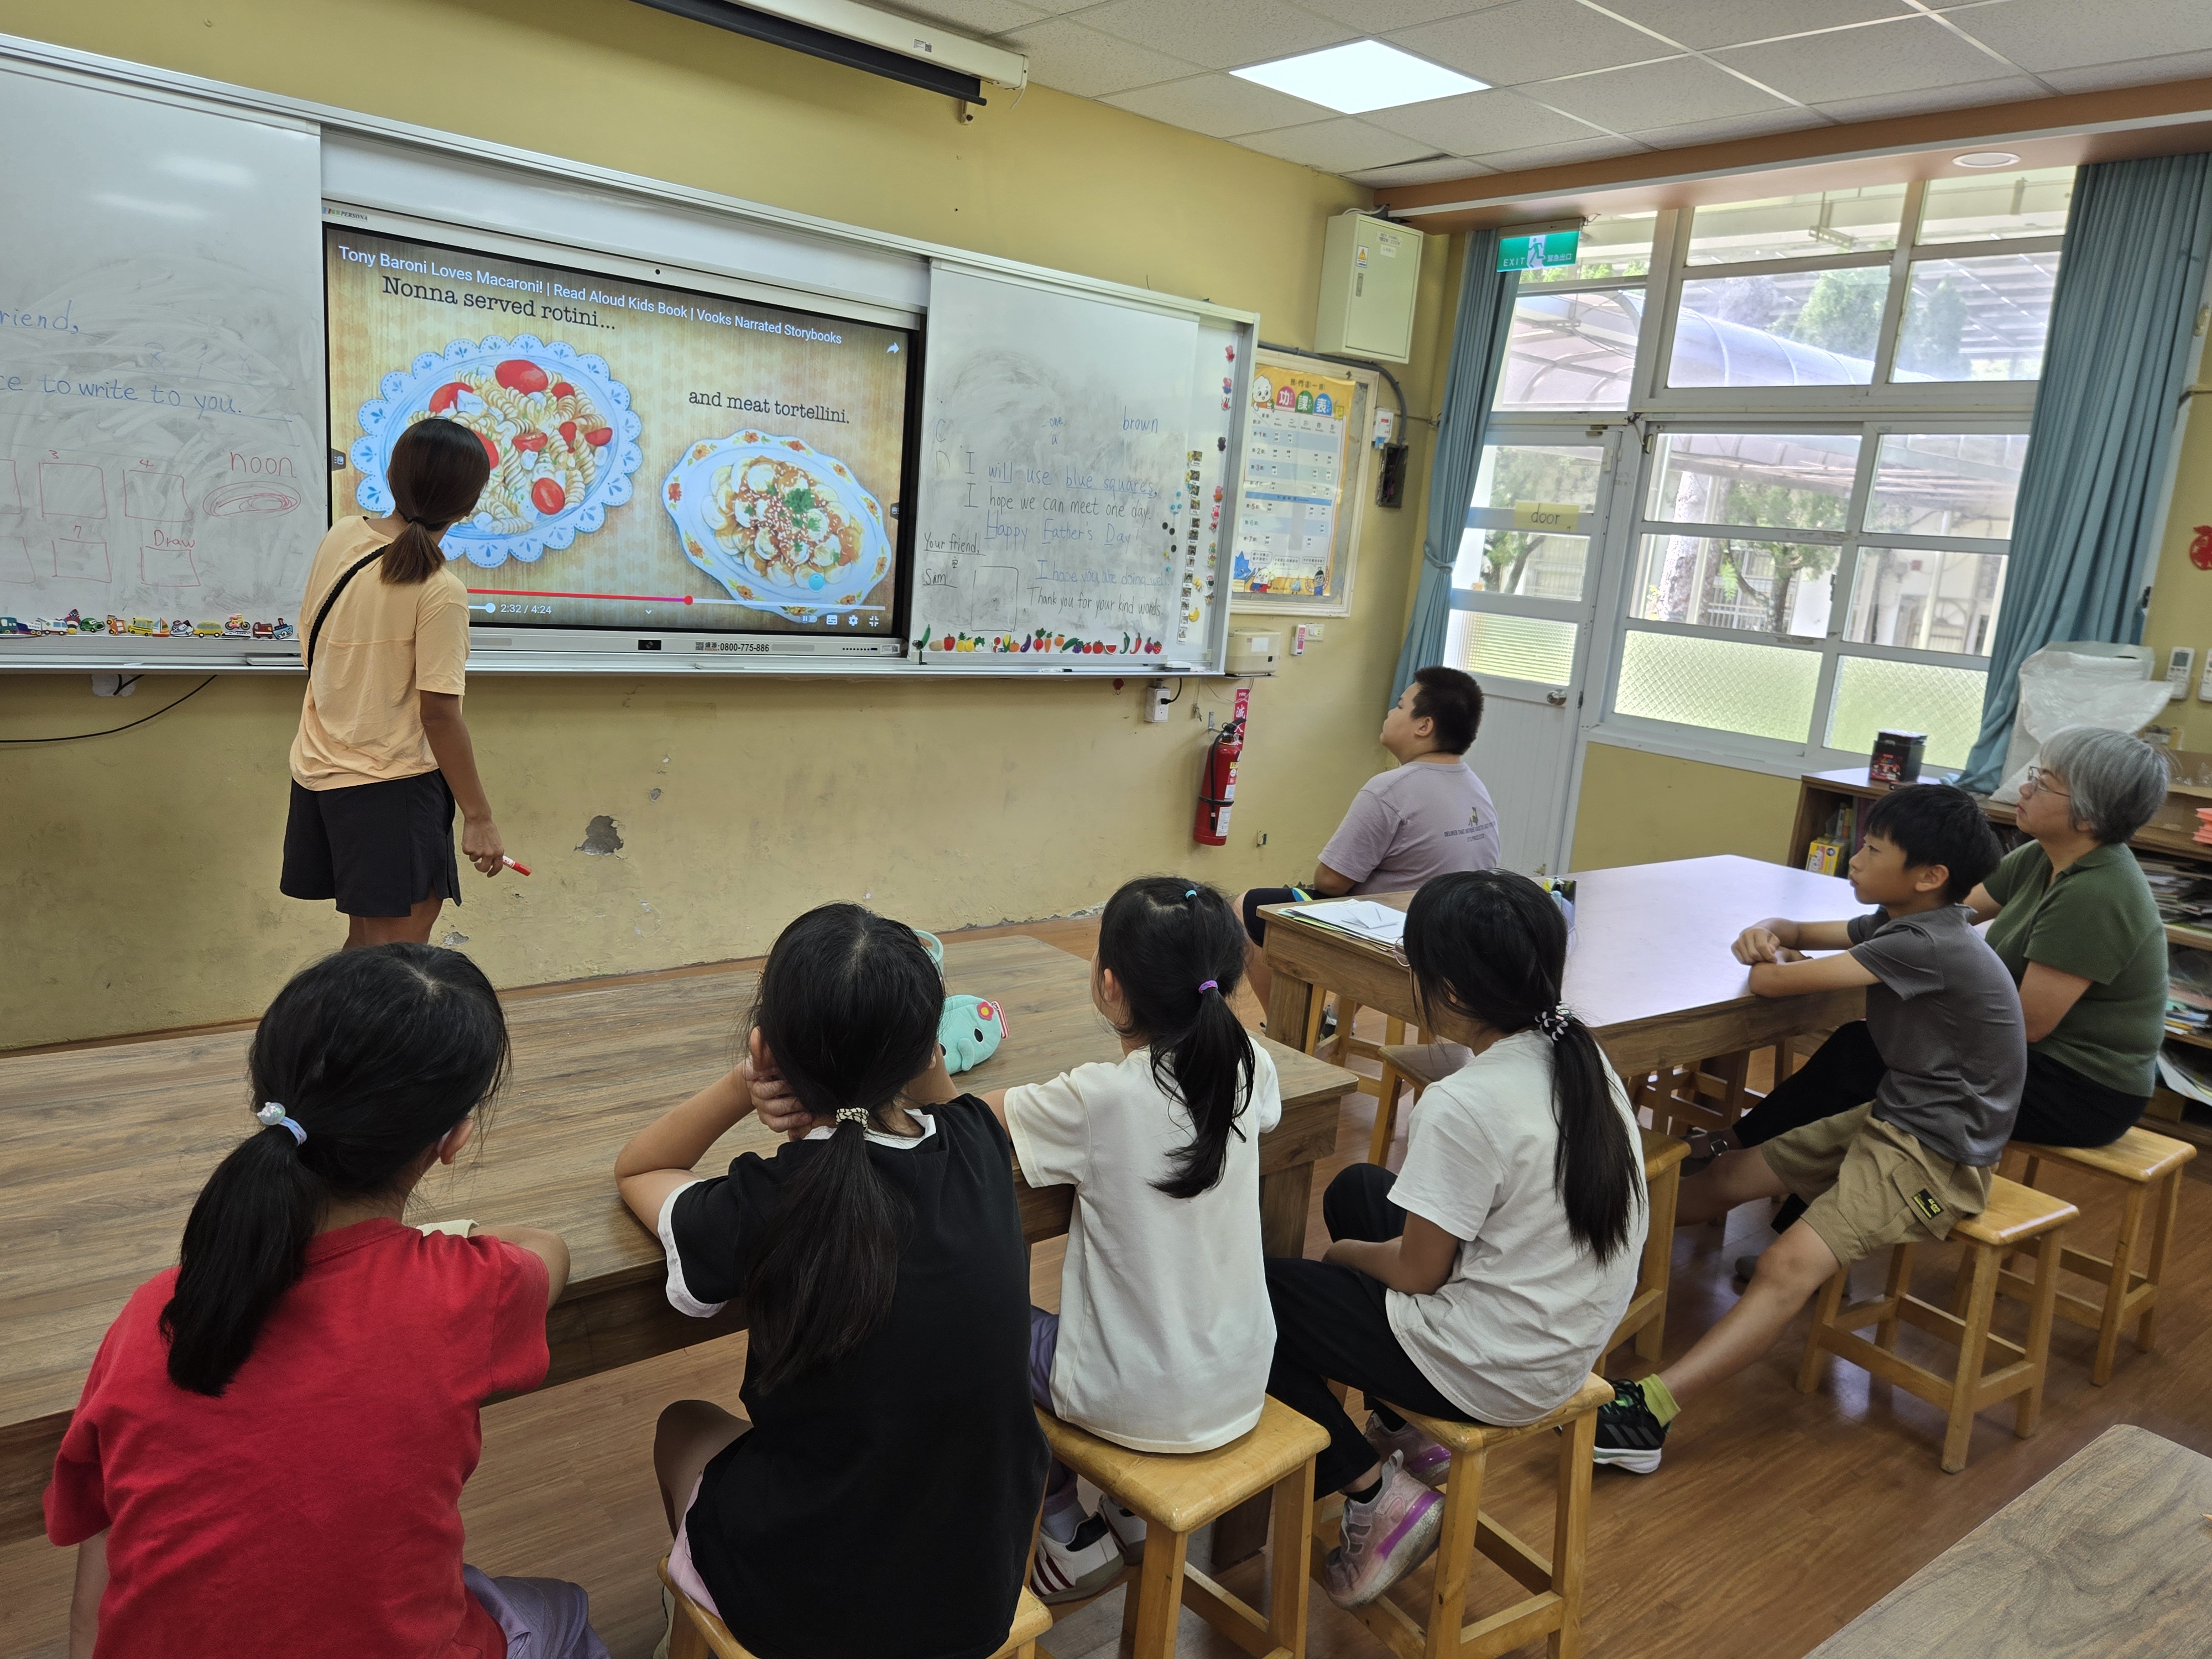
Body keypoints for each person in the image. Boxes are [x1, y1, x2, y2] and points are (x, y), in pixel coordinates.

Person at [44, 946, 593, 1659]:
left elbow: (98, 1588)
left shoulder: (152, 1312)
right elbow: (547, 1250)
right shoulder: (468, 1291)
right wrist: (420, 1245)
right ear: (452, 1137)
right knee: (567, 1609)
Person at [614, 905, 1047, 1659]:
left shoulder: (769, 1197)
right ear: (925, 1047)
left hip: (820, 1616)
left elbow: (640, 1168)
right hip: (980, 1587)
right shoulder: (979, 1145)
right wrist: (911, 1054)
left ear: (769, 1045)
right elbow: (944, 1099)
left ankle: (700, 1607)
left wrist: (741, 1082)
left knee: (680, 1425)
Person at [1594, 784, 2022, 1473]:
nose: (1855, 858)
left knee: (1783, 1264)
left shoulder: (1927, 943)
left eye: (1874, 849)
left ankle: (1648, 1415)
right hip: (1896, 1113)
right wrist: (1771, 933)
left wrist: (1768, 956)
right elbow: (1793, 937)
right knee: (1718, 1181)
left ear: (1929, 877)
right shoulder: (1899, 923)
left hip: (1938, 1154)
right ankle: (1564, 1263)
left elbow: (1772, 985)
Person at [1263, 870, 1646, 1608]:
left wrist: (1342, 1257)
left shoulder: (1464, 1104)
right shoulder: (1580, 1055)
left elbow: (1416, 1273)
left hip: (1496, 1367)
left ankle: (1375, 1497)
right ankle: (1410, 1428)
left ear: (1459, 994)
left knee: (1257, 1299)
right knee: (1359, 1192)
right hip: (1560, 1344)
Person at [993, 878, 1282, 1600]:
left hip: (1136, 1396)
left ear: (1108, 987)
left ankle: (1065, 1528)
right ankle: (1127, 1509)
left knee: (968, 1322)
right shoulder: (1251, 1065)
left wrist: (927, 1061)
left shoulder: (1102, 1098)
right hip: (1241, 1381)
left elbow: (969, 1118)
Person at [282, 418, 508, 948]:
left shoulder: (342, 535)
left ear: (391, 475)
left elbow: (309, 647)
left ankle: (325, 1035)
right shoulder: (441, 591)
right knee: (398, 964)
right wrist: (480, 818)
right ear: (471, 504)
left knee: (367, 949)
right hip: (393, 789)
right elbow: (439, 715)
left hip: (321, 773)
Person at [1239, 666, 1500, 1013]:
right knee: (1379, 890)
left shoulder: (1390, 789)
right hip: (1454, 934)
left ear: (1424, 726)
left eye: (1401, 705)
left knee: (1247, 907)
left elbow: (1330, 882)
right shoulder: (1473, 785)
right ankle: (1333, 1018)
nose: (1391, 712)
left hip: (1397, 937)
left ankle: (1290, 1032)